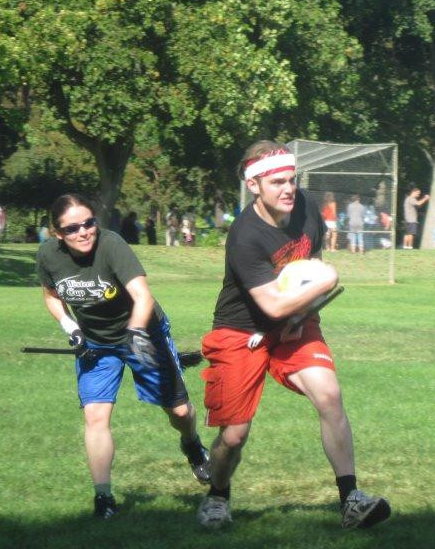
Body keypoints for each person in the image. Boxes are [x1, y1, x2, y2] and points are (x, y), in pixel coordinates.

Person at [197, 141, 390, 530]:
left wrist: (302, 312)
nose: (288, 189)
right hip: (242, 330)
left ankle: (351, 500)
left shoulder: (305, 207)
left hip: (295, 320)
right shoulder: (245, 235)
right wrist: (328, 280)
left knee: (329, 394)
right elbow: (271, 305)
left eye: (291, 179)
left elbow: (308, 264)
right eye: (277, 182)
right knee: (233, 436)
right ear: (253, 185)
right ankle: (217, 494)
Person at [36, 193, 211, 519]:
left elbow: (143, 297)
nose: (83, 232)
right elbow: (51, 296)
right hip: (96, 343)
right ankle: (103, 498)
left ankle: (192, 445)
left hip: (143, 333)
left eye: (88, 223)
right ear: (58, 233)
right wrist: (71, 328)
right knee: (95, 416)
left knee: (179, 411)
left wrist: (135, 333)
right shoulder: (48, 254)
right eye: (72, 228)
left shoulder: (111, 245)